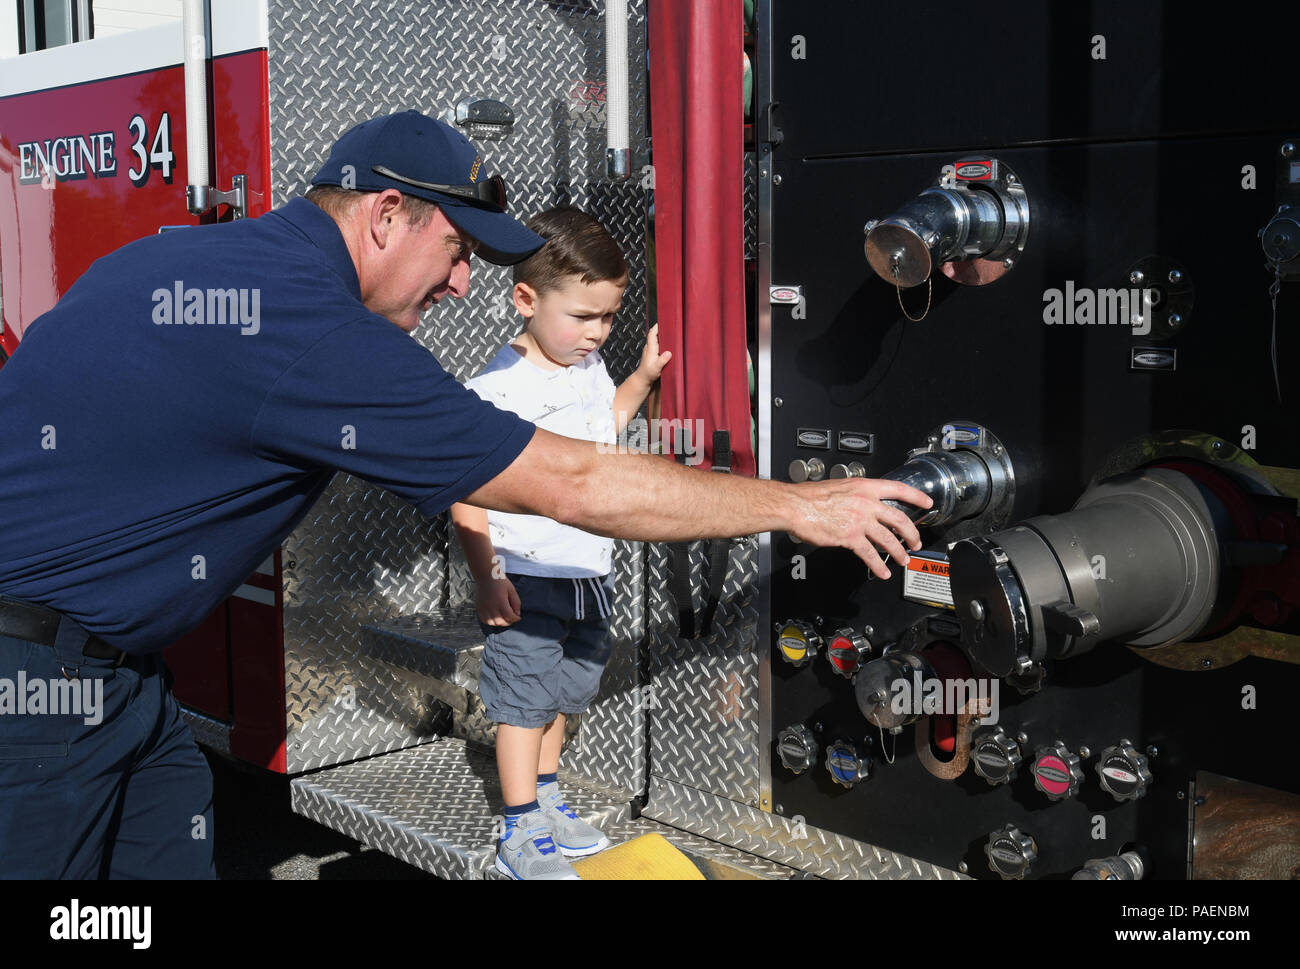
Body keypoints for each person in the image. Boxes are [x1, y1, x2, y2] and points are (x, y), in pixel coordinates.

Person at [0, 110, 931, 879]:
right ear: (386, 214)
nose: (457, 283)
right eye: (454, 251)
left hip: (119, 682)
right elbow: (569, 480)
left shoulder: (177, 259)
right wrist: (803, 506)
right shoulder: (309, 328)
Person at [450, 207, 670, 879]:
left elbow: (604, 427)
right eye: (584, 316)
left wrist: (640, 375)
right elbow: (466, 492)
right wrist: (487, 576)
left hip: (587, 573)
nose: (597, 332)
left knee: (562, 698)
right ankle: (520, 829)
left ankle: (546, 797)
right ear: (525, 298)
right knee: (521, 705)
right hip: (527, 575)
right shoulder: (498, 389)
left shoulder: (588, 365)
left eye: (608, 317)